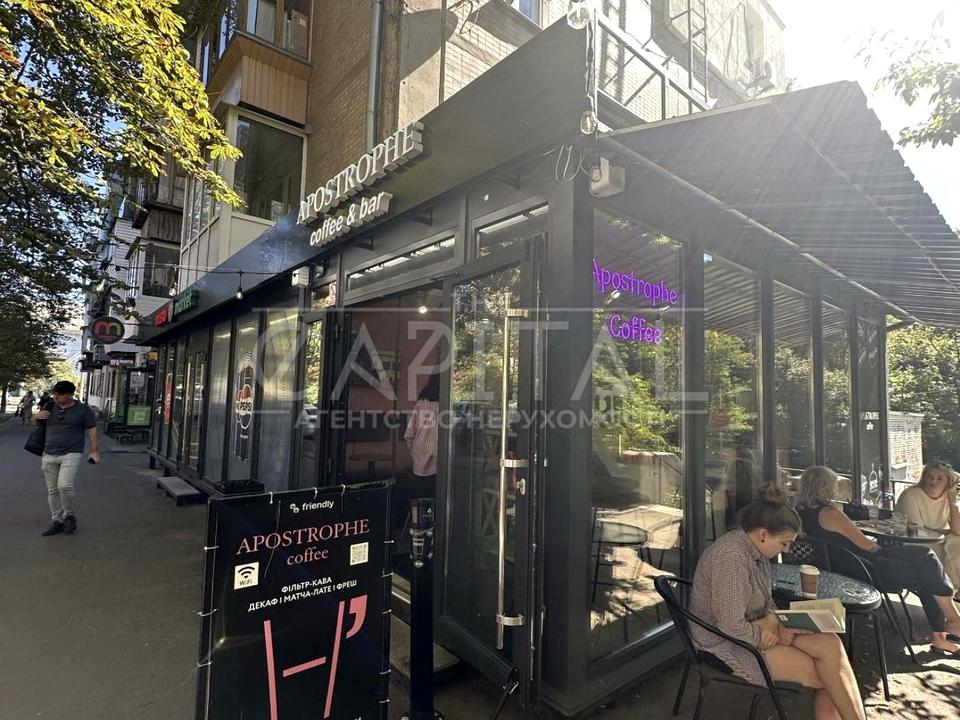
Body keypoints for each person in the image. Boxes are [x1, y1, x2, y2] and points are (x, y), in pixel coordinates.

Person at [690, 485, 866, 720]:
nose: (787, 549)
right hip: (725, 644)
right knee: (830, 678)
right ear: (763, 534)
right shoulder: (731, 557)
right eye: (784, 543)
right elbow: (730, 626)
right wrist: (769, 634)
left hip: (758, 628)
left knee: (831, 644)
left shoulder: (755, 550)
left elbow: (766, 603)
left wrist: (778, 623)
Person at [796, 465, 960, 655]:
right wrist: (888, 549)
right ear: (826, 487)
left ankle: (947, 628)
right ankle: (950, 625)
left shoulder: (801, 512)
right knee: (927, 566)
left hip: (841, 567)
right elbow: (868, 545)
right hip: (865, 570)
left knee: (926, 559)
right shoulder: (830, 513)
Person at [32, 380, 100, 537]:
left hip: (71, 452)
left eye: (60, 394)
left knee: (64, 486)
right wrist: (36, 417)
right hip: (49, 452)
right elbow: (36, 424)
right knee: (52, 490)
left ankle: (69, 515)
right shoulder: (49, 406)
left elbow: (92, 430)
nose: (56, 397)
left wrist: (95, 451)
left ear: (70, 395)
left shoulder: (83, 410)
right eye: (55, 393)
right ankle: (57, 520)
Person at [895, 460, 960, 597]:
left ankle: (951, 588)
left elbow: (957, 530)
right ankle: (947, 590)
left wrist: (953, 501)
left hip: (937, 540)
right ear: (924, 477)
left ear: (948, 482)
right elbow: (917, 529)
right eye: (930, 477)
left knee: (957, 542)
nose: (933, 481)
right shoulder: (910, 495)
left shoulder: (947, 498)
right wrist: (945, 533)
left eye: (940, 478)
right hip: (914, 541)